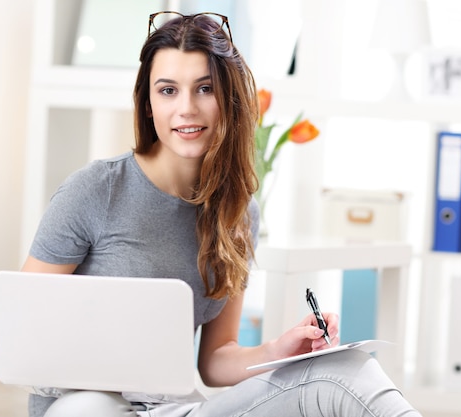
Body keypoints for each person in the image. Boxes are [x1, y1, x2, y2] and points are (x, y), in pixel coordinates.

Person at [22, 11, 422, 417]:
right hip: (83, 406)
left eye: (204, 89)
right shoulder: (94, 191)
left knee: (345, 368)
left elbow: (214, 360)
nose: (187, 109)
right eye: (167, 91)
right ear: (147, 104)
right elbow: (14, 334)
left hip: (170, 408)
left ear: (227, 99)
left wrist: (279, 349)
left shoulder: (239, 212)